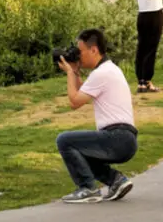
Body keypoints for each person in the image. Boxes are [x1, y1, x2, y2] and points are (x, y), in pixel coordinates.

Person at [55, 29, 138, 202]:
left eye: (81, 51)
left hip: (118, 137)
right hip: (124, 139)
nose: (79, 55)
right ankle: (116, 180)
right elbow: (84, 92)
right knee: (81, 147)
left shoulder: (102, 73)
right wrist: (75, 72)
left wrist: (70, 73)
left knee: (65, 140)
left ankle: (87, 188)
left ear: (94, 50)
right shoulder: (108, 70)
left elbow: (74, 102)